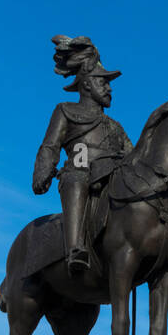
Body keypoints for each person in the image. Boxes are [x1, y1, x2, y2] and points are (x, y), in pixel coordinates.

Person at [32, 35, 131, 275]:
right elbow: (50, 145)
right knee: (77, 176)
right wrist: (43, 172)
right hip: (81, 168)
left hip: (112, 176)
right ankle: (75, 247)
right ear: (87, 84)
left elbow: (133, 155)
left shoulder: (115, 126)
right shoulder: (66, 110)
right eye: (103, 83)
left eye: (109, 84)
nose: (109, 88)